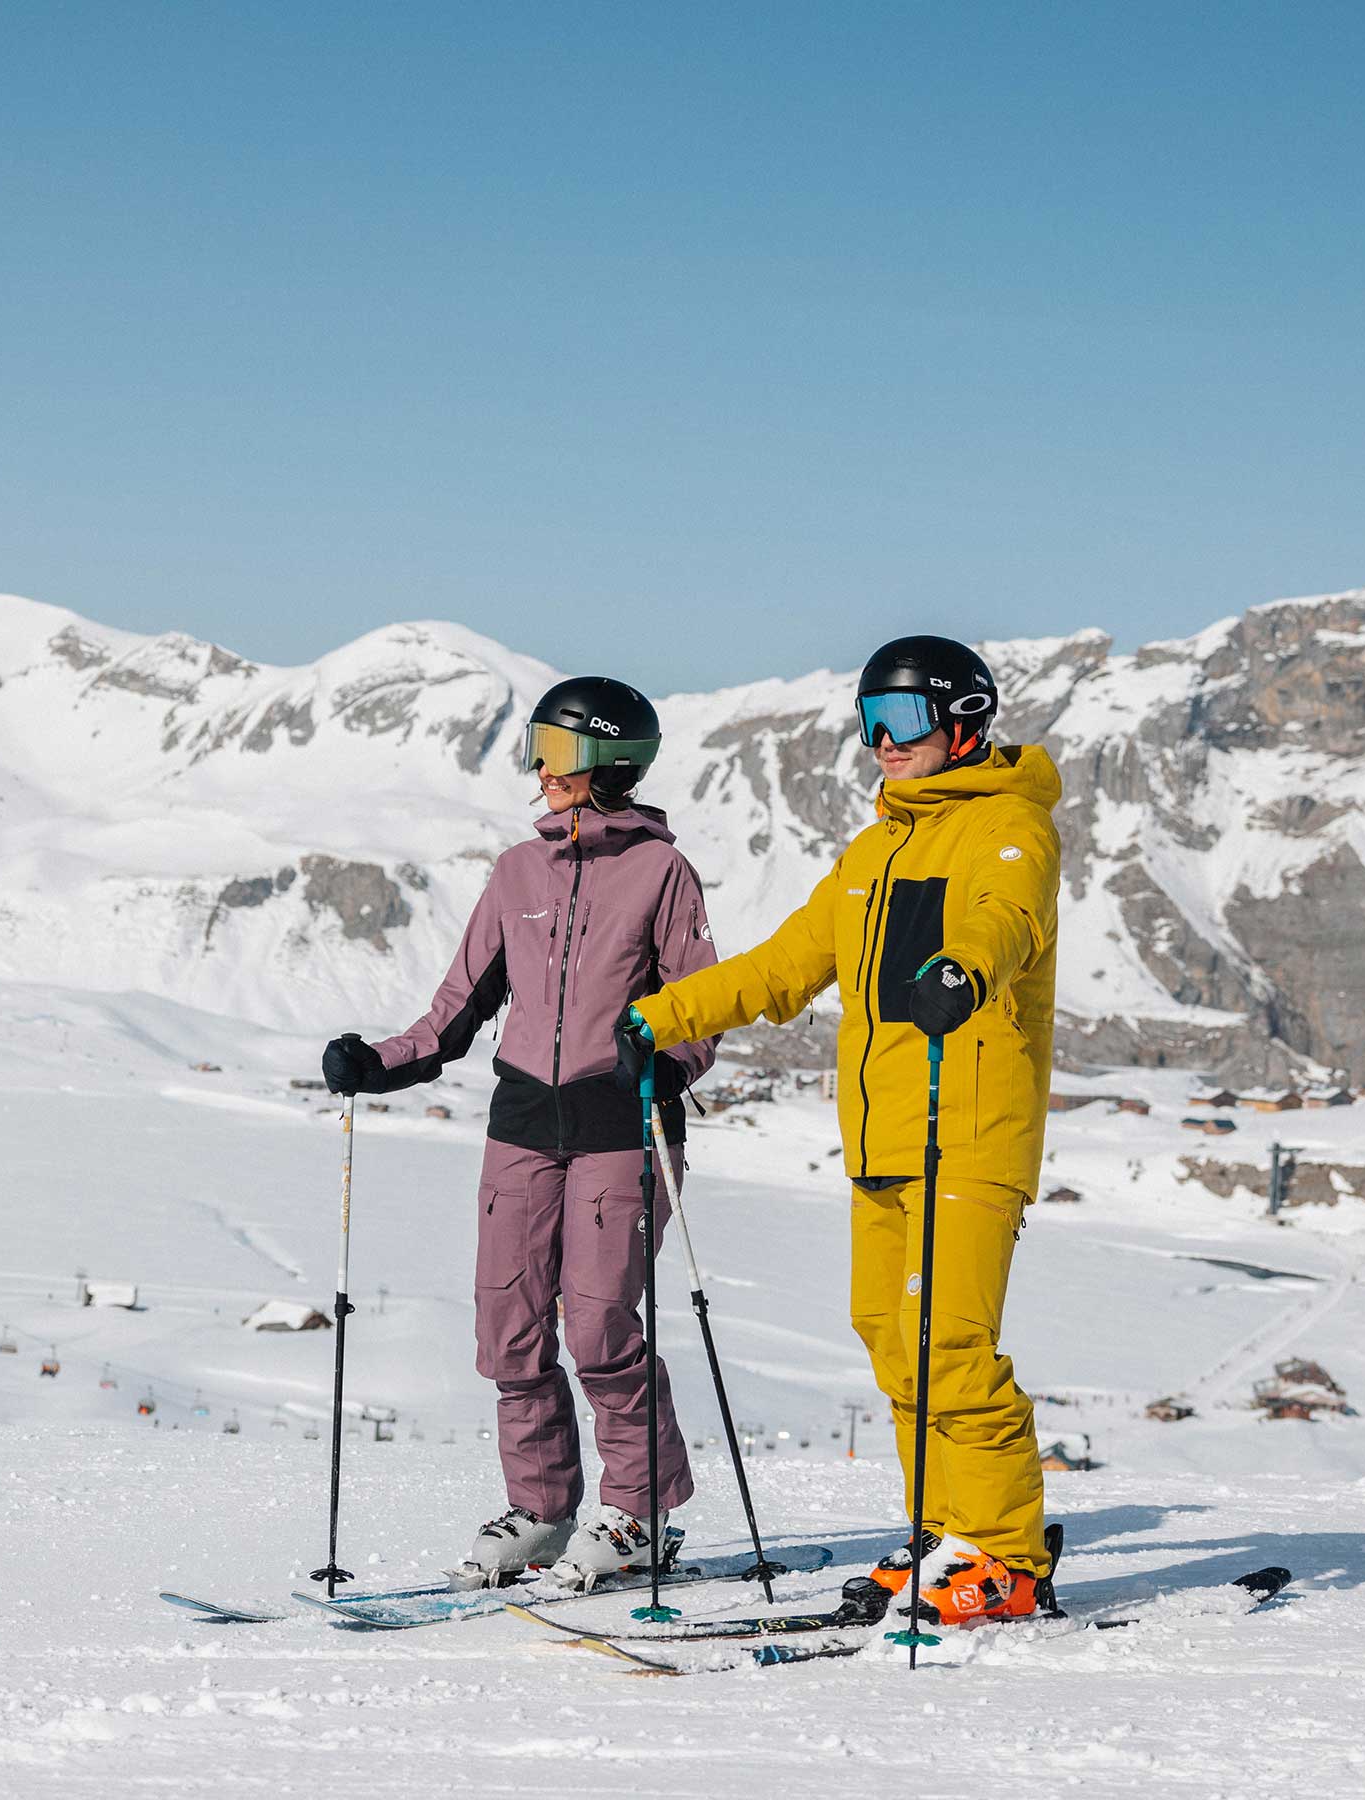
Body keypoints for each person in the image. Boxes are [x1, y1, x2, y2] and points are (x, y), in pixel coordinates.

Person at [622, 634, 1062, 1627]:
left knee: (949, 1342)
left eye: (901, 719)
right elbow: (783, 966)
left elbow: (1005, 919)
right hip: (882, 1139)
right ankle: (944, 1531)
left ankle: (1006, 1558)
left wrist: (962, 972)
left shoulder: (1008, 827)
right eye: (868, 722)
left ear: (963, 721)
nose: (882, 742)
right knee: (894, 1343)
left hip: (967, 1129)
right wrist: (663, 1016)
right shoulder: (874, 851)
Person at [320, 676, 716, 1592]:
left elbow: (701, 1007)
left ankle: (641, 1513)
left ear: (608, 760)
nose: (541, 767)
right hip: (523, 1127)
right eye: (538, 746)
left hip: (621, 1129)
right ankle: (541, 1511)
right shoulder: (515, 872)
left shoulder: (662, 873)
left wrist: (665, 1064)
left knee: (601, 1328)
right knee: (509, 1328)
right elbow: (456, 1011)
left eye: (558, 749)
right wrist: (379, 1062)